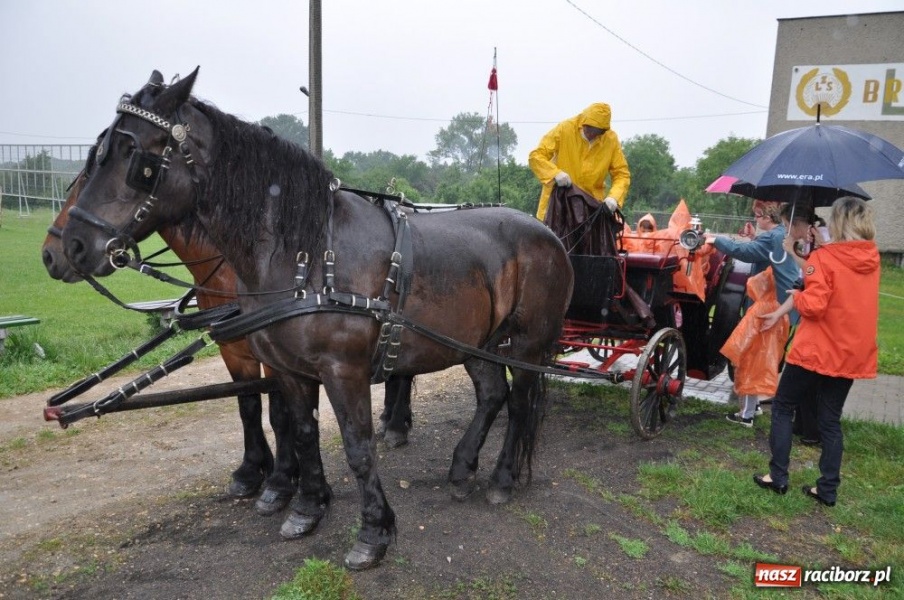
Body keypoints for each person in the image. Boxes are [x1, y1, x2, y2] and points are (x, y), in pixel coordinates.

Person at [753, 197, 879, 507]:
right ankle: (827, 490)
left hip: (816, 349)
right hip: (850, 352)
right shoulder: (872, 260)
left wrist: (798, 293)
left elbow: (815, 305)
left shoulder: (825, 258)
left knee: (782, 406)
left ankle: (778, 476)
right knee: (830, 420)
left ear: (838, 222)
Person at [704, 201, 800, 426]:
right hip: (780, 307)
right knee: (761, 356)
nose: (756, 220)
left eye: (758, 216)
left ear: (768, 217)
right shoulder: (780, 236)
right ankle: (753, 406)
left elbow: (743, 253)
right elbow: (763, 254)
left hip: (767, 308)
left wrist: (714, 239)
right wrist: (754, 238)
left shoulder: (773, 237)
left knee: (750, 357)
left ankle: (745, 415)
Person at [529, 102, 630, 222]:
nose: (591, 134)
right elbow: (536, 156)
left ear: (603, 131)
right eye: (589, 128)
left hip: (591, 211)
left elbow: (622, 174)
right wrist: (554, 173)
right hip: (556, 208)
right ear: (583, 122)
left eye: (597, 132)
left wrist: (614, 197)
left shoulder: (611, 140)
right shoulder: (564, 129)